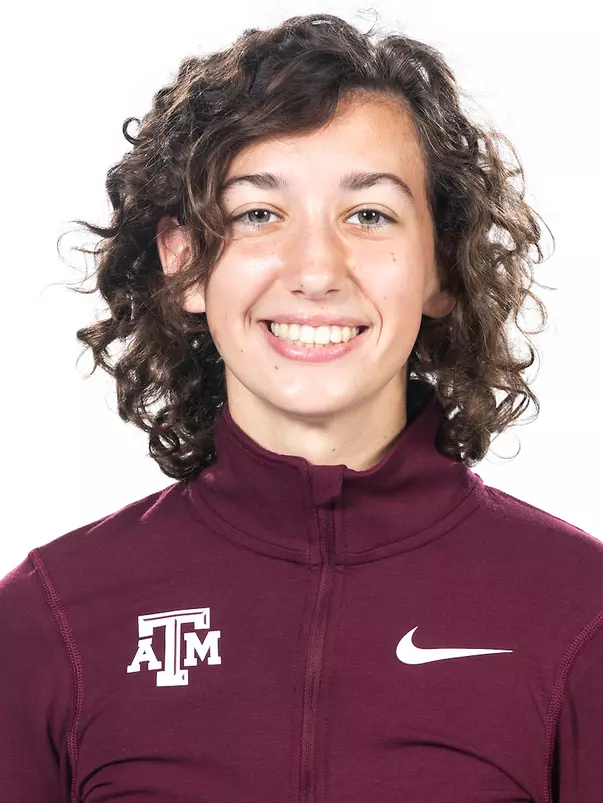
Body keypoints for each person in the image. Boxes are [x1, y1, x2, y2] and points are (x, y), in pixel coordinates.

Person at [1, 12, 601, 803]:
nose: (315, 269)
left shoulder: (580, 612)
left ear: (439, 264)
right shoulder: (52, 620)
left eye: (368, 215)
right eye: (258, 214)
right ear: (183, 263)